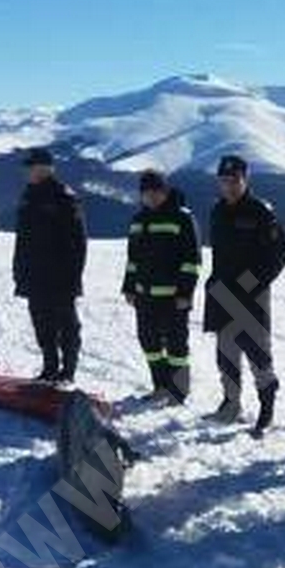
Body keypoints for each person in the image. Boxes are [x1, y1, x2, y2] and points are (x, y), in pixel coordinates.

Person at [203, 155, 285, 432]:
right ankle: (231, 404)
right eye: (224, 180)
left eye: (235, 180)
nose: (229, 186)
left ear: (245, 180)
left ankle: (267, 405)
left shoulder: (260, 211)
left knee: (257, 352)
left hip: (251, 295)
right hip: (222, 292)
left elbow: (279, 253)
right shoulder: (218, 211)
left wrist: (251, 282)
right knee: (226, 352)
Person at [122, 169, 201, 404]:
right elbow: (133, 259)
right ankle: (160, 386)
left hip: (173, 297)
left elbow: (191, 261)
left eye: (156, 191)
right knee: (149, 342)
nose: (152, 196)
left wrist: (185, 292)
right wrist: (129, 287)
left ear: (165, 192)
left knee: (176, 345)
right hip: (144, 296)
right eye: (146, 192)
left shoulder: (182, 218)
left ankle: (179, 391)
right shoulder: (138, 220)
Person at [13, 148, 87, 384]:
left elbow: (78, 242)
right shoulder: (28, 196)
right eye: (28, 168)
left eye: (32, 167)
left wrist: (73, 277)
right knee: (42, 324)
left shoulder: (64, 197)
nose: (28, 172)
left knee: (66, 326)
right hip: (34, 274)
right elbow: (22, 239)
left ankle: (68, 372)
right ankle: (49, 369)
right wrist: (19, 270)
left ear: (46, 168)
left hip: (60, 275)